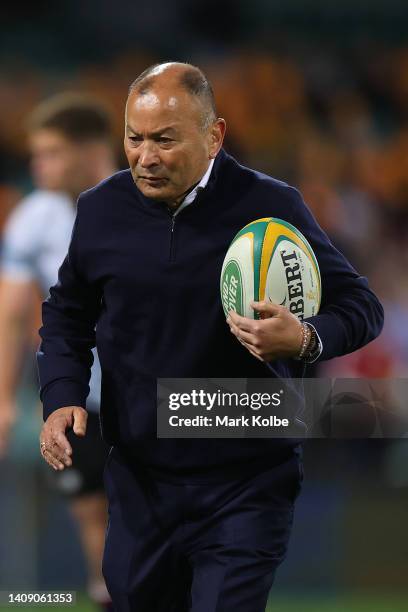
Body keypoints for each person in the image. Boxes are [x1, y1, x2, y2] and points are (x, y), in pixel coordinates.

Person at [37, 63, 384, 612]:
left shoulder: (272, 207)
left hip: (247, 479)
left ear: (214, 135)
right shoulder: (100, 209)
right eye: (134, 138)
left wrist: (305, 338)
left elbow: (360, 306)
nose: (145, 157)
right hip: (140, 482)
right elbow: (66, 316)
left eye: (164, 140)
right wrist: (60, 396)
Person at [0, 94, 116, 610]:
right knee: (93, 511)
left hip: (154, 390)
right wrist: (4, 399)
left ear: (91, 151)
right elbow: (12, 314)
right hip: (80, 396)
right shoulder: (36, 216)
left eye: (50, 152)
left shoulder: (146, 202)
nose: (36, 164)